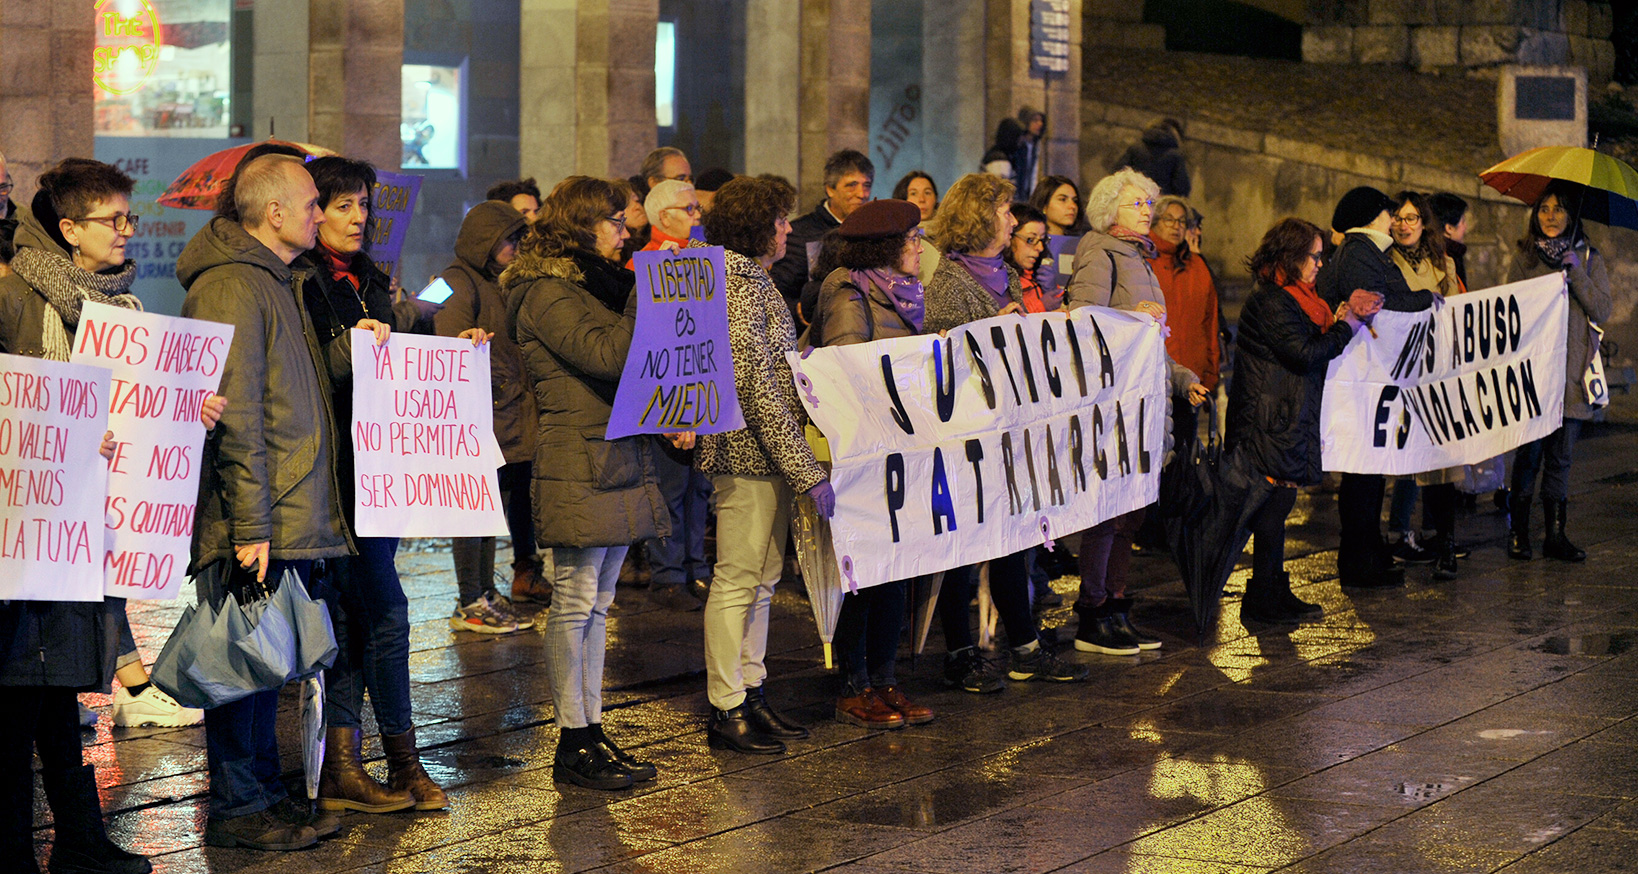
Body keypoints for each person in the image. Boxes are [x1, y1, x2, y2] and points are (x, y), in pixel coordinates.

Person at [0, 158, 225, 874]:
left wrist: (191, 414)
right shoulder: (13, 298)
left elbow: (140, 406)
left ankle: (80, 842)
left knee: (58, 691)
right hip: (31, 525)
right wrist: (64, 430)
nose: (128, 231)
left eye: (129, 217)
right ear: (69, 228)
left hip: (91, 527)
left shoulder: (119, 311)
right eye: (114, 219)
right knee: (20, 696)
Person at [178, 153, 352, 850]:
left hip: (283, 510)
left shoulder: (276, 281)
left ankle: (264, 793)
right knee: (241, 666)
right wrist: (251, 523)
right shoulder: (232, 287)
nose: (322, 213)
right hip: (259, 517)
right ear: (274, 213)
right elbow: (241, 414)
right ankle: (237, 807)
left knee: (267, 661)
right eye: (313, 203)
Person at [294, 156, 455, 816]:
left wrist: (447, 346)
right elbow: (308, 381)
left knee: (363, 622)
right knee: (385, 615)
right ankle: (403, 767)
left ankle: (345, 766)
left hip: (377, 477)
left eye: (364, 204)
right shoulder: (302, 285)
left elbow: (394, 368)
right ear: (311, 213)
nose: (359, 217)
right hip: (337, 483)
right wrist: (351, 346)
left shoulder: (366, 279)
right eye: (342, 206)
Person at [502, 176, 672, 789]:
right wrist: (652, 295)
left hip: (612, 452)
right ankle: (572, 739)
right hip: (578, 457)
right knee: (575, 603)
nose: (625, 233)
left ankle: (592, 729)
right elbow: (610, 355)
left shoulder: (594, 285)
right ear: (581, 224)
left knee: (597, 603)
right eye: (614, 221)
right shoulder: (547, 291)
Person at [923, 172, 1089, 691]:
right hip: (965, 436)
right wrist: (997, 324)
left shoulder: (1003, 273)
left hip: (1007, 431)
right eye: (1004, 212)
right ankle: (961, 653)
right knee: (963, 549)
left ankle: (1025, 648)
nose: (1014, 221)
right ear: (979, 218)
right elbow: (943, 353)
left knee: (1012, 537)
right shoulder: (951, 280)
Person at [698, 176, 835, 753]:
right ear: (758, 225)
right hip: (748, 454)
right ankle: (727, 703)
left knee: (762, 580)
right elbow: (755, 386)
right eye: (780, 219)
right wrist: (805, 469)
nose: (787, 229)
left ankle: (751, 691)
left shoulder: (750, 280)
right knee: (738, 579)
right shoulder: (736, 283)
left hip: (766, 455)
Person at [1063, 169, 1208, 655]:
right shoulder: (1100, 251)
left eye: (1149, 202)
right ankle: (1093, 611)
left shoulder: (1140, 258)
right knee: (1108, 510)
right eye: (1137, 204)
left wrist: (1181, 378)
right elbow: (1081, 322)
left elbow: (1149, 342)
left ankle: (1118, 606)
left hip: (1145, 401)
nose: (1148, 210)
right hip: (1112, 405)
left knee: (1132, 512)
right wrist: (1132, 317)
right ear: (1110, 211)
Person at [804, 198, 937, 730]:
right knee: (866, 572)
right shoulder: (848, 289)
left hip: (901, 448)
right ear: (885, 245)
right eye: (912, 238)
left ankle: (885, 679)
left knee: (898, 569)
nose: (920, 247)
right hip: (861, 454)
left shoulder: (905, 293)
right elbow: (846, 370)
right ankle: (853, 684)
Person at [1229, 219, 1377, 623]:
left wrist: (1342, 317)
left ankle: (1272, 587)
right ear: (1291, 256)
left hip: (1284, 415)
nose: (1320, 265)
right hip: (1267, 418)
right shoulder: (1273, 300)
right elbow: (1305, 352)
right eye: (1314, 256)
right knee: (1272, 505)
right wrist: (1348, 325)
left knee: (1281, 501)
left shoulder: (1299, 297)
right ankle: (1262, 596)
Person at [1315, 186, 1435, 590]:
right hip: (1362, 379)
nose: (1394, 220)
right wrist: (1424, 299)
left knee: (1369, 473)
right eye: (1389, 213)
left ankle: (1370, 550)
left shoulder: (1364, 251)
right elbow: (1381, 302)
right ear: (1373, 216)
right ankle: (1358, 560)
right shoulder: (1360, 252)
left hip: (1371, 378)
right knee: (1363, 474)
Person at [436, 200, 546, 624]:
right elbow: (444, 333)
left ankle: (485, 590)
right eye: (509, 237)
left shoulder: (501, 280)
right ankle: (471, 598)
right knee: (472, 510)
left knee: (491, 509)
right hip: (477, 415)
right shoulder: (454, 281)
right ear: (485, 239)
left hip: (505, 412)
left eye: (520, 237)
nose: (517, 245)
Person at [1504, 181, 1612, 563]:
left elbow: (1601, 309)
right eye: (1544, 209)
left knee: (1561, 458)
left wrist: (1577, 273)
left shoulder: (1589, 258)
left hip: (1571, 377)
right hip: (1533, 377)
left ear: (1571, 216)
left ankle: (1555, 534)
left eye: (1559, 209)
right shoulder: (1525, 258)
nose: (1551, 216)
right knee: (1529, 456)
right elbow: (1508, 313)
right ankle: (1518, 532)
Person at [624, 179, 714, 609]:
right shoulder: (642, 264)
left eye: (697, 208)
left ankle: (696, 568)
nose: (698, 216)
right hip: (667, 391)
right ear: (665, 217)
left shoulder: (703, 260)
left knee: (698, 488)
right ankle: (669, 575)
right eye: (690, 209)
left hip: (700, 385)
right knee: (670, 488)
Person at [1383, 190, 1465, 581]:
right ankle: (1397, 533)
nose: (1403, 224)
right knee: (1405, 460)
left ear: (1424, 223)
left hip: (1438, 374)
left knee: (1442, 466)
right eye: (1397, 217)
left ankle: (1445, 543)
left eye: (1411, 218)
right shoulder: (1384, 263)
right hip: (1402, 374)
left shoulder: (1444, 262)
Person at [770, 149, 874, 318]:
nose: (861, 194)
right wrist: (801, 312)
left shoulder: (874, 230)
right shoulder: (799, 233)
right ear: (830, 189)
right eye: (851, 185)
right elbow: (779, 292)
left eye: (867, 185)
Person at [1148, 194, 1222, 403]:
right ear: (1155, 222)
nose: (1176, 226)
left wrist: (1210, 373)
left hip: (1192, 378)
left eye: (1181, 221)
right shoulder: (1143, 262)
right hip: (1153, 377)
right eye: (1169, 219)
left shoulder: (1198, 266)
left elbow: (1210, 322)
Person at [1112, 118, 1190, 197]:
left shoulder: (1135, 148)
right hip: (1160, 202)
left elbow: (1117, 173)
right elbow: (1182, 187)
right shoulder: (1175, 156)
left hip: (1134, 197)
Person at [1004, 202, 1053, 312]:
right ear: (1010, 236)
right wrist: (1041, 306)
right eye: (1030, 240)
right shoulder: (1001, 278)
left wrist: (1053, 289)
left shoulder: (1036, 274)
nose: (1040, 248)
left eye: (1042, 240)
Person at [1013, 107, 1045, 197]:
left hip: (1028, 194)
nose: (1040, 124)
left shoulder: (1036, 145)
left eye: (1041, 121)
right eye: (1035, 120)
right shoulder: (1018, 144)